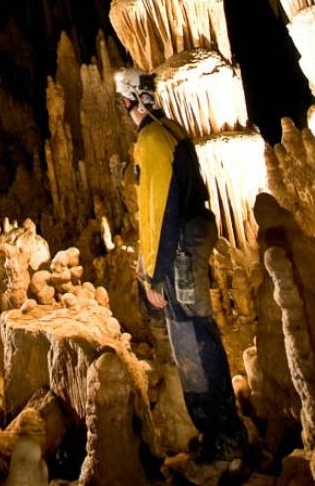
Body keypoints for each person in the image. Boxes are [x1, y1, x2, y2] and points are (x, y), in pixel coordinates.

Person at [115, 67, 247, 464]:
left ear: (132, 102)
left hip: (177, 253)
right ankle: (228, 435)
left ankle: (221, 442)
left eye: (124, 103)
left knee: (190, 341)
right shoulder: (174, 131)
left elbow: (157, 212)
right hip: (194, 236)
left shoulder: (152, 140)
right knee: (202, 335)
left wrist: (152, 273)